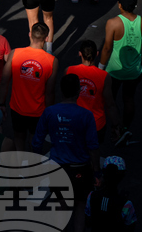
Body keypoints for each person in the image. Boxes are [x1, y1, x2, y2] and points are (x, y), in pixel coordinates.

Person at [32, 74, 100, 232]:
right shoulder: (86, 115)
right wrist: (97, 172)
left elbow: (37, 141)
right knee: (80, 205)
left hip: (57, 168)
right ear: (78, 92)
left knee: (60, 206)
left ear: (61, 91)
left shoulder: (49, 112)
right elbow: (93, 147)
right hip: (81, 168)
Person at [100, 0, 142, 145]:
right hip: (134, 71)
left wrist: (100, 68)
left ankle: (115, 127)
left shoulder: (113, 23)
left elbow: (107, 48)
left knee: (110, 100)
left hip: (114, 71)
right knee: (129, 99)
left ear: (119, 5)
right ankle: (125, 128)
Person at [0, 22, 56, 151]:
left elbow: (4, 81)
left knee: (18, 138)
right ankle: (32, 161)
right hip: (38, 111)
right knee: (35, 140)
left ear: (30, 34)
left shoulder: (15, 53)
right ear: (47, 38)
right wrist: (50, 113)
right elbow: (50, 92)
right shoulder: (52, 61)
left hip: (17, 108)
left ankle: (20, 161)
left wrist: (1, 103)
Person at [66, 39, 117, 143]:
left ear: (80, 53)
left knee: (74, 149)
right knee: (94, 150)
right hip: (96, 124)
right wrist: (116, 125)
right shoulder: (104, 76)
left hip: (73, 121)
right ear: (97, 54)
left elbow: (65, 97)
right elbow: (110, 104)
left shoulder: (69, 71)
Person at [86, 156, 138, 231]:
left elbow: (88, 221)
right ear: (122, 175)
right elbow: (130, 226)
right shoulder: (126, 204)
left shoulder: (92, 196)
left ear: (104, 173)